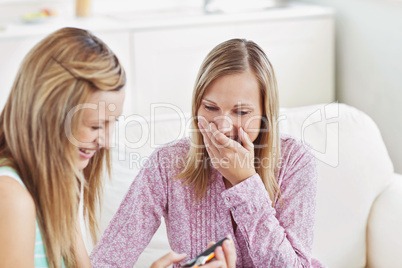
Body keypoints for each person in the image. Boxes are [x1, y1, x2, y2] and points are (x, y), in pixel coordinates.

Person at [0, 27, 234, 268]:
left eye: (112, 123)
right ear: (47, 114)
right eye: (95, 126)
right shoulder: (10, 195)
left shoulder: (59, 187)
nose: (106, 142)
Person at [90, 38, 325, 267]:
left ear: (265, 112)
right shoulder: (167, 164)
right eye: (210, 107)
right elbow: (108, 259)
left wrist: (246, 183)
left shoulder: (296, 161)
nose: (222, 127)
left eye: (241, 112)